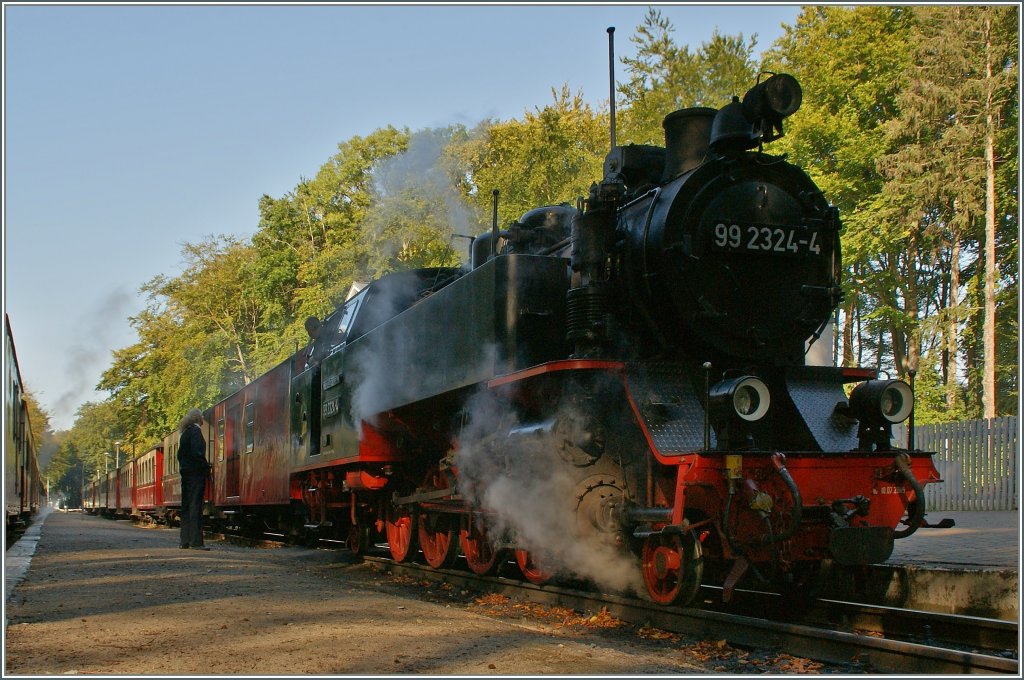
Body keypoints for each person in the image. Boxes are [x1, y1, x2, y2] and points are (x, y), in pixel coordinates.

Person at [178, 408, 211, 550]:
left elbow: (180, 455)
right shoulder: (196, 431)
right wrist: (206, 466)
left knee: (186, 507)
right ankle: (196, 542)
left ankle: (184, 541)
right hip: (196, 474)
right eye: (202, 416)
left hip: (186, 474)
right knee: (195, 507)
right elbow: (198, 452)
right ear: (198, 418)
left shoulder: (185, 433)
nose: (203, 418)